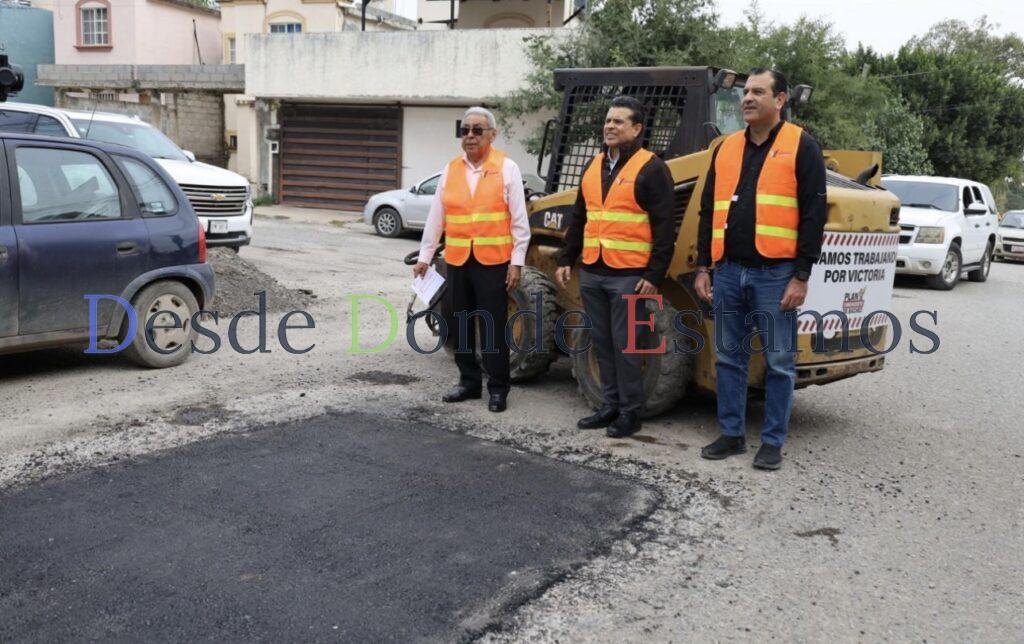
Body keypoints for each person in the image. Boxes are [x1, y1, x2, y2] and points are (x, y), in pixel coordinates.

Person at [694, 68, 827, 470]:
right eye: (745, 92)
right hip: (728, 271)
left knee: (779, 362)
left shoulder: (802, 145)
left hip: (776, 275)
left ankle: (772, 442)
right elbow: (708, 210)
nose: (747, 98)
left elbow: (814, 214)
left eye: (758, 92)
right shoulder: (726, 148)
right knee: (728, 358)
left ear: (780, 99)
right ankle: (732, 434)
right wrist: (704, 266)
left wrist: (801, 275)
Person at [555, 96, 676, 437]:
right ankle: (609, 406)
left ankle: (630, 412)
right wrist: (566, 258)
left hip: (629, 276)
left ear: (636, 129)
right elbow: (580, 216)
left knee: (627, 347)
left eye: (618, 121)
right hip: (593, 271)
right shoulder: (593, 166)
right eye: (608, 120)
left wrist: (653, 275)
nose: (609, 126)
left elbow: (665, 228)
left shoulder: (652, 168)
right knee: (602, 342)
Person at [413, 106, 531, 413]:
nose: (470, 135)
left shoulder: (507, 168)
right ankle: (468, 382)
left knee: (492, 326)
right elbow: (436, 217)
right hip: (457, 260)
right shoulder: (451, 169)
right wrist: (425, 256)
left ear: (492, 134)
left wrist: (516, 262)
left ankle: (498, 388)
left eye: (477, 130)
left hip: (493, 262)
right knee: (460, 323)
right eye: (464, 130)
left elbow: (520, 221)